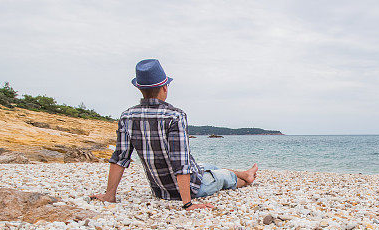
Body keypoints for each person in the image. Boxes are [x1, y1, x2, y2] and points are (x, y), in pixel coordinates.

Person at [92, 59, 258, 211]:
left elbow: (120, 157)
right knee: (224, 177)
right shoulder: (174, 116)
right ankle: (246, 178)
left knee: (209, 166)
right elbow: (181, 163)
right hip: (190, 189)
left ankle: (244, 173)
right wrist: (188, 204)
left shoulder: (127, 116)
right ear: (165, 87)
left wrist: (109, 195)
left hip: (159, 189)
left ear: (139, 88)